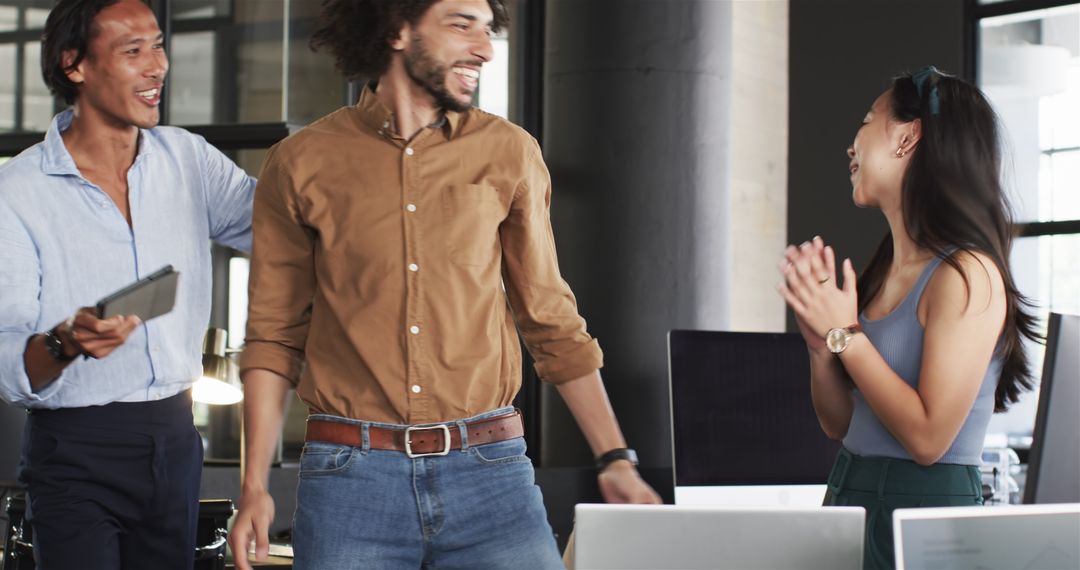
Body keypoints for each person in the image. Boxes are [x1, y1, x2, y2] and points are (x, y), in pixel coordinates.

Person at [229, 0, 660, 568]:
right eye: (461, 25)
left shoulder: (508, 151)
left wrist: (615, 458)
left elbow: (551, 320)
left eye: (487, 29)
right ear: (397, 30)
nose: (483, 49)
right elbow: (273, 336)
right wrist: (254, 486)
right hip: (349, 483)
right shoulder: (300, 162)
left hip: (491, 476)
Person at [0, 0, 255, 567]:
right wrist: (66, 341)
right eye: (132, 50)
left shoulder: (189, 159)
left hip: (176, 436)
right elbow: (8, 358)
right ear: (75, 65)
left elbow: (281, 230)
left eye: (158, 45)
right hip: (75, 449)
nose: (157, 66)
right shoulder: (17, 192)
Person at [777, 67, 1039, 570]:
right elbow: (841, 424)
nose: (850, 145)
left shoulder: (968, 273)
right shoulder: (885, 270)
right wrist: (821, 347)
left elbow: (927, 439)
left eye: (866, 121)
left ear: (907, 137)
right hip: (848, 494)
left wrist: (846, 335)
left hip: (925, 513)